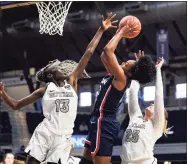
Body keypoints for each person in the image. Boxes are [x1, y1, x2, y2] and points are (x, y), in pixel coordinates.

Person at [0, 14, 118, 164]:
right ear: (50, 74)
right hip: (45, 131)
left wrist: (100, 30)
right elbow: (16, 105)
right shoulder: (44, 90)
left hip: (63, 137)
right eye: (58, 67)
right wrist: (3, 93)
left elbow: (88, 53)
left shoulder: (72, 81)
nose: (62, 67)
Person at [80, 24, 156, 164]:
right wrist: (139, 63)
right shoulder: (116, 75)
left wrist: (121, 32)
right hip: (98, 120)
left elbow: (108, 51)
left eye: (126, 64)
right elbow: (104, 55)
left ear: (129, 73)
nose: (123, 62)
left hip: (105, 123)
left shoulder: (122, 78)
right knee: (85, 162)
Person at [120, 57, 171, 164]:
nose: (152, 105)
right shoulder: (135, 116)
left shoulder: (156, 127)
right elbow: (132, 93)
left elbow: (158, 95)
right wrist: (138, 71)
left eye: (154, 106)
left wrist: (158, 70)